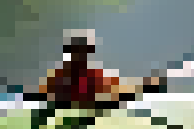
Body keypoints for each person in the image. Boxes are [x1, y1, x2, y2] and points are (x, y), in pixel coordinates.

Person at [34, 31, 164, 110]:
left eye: (83, 51)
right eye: (79, 51)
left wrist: (144, 86)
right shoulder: (59, 77)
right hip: (80, 112)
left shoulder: (91, 76)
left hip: (85, 110)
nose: (81, 55)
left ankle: (147, 87)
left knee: (119, 95)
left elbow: (119, 89)